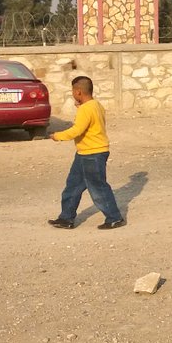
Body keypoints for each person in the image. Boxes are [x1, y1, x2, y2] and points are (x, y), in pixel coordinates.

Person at [48, 76, 126, 230]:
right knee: (73, 186)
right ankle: (66, 218)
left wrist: (57, 136)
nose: (72, 95)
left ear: (78, 92)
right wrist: (80, 108)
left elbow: (77, 130)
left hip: (93, 154)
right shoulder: (95, 105)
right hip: (85, 153)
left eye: (72, 91)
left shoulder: (86, 109)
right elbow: (90, 122)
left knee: (98, 188)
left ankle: (114, 217)